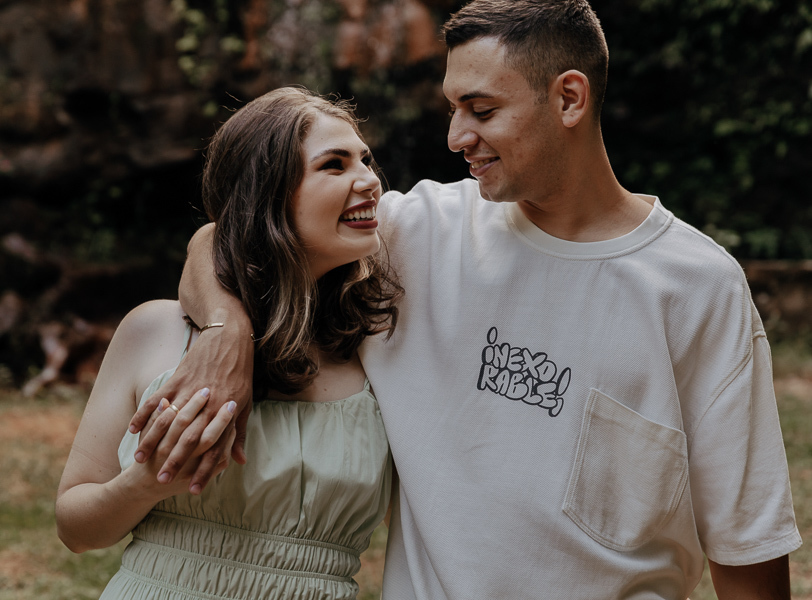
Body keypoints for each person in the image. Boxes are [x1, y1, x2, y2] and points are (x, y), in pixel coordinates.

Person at [128, 1, 802, 598]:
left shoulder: (697, 287)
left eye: (481, 111)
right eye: (452, 109)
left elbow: (746, 541)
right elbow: (226, 236)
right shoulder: (411, 237)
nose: (456, 138)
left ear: (570, 99)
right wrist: (226, 330)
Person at [55, 86, 402, 599]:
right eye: (335, 164)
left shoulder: (381, 345)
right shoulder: (154, 330)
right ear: (268, 196)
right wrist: (146, 484)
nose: (370, 181)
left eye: (366, 160)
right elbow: (75, 529)